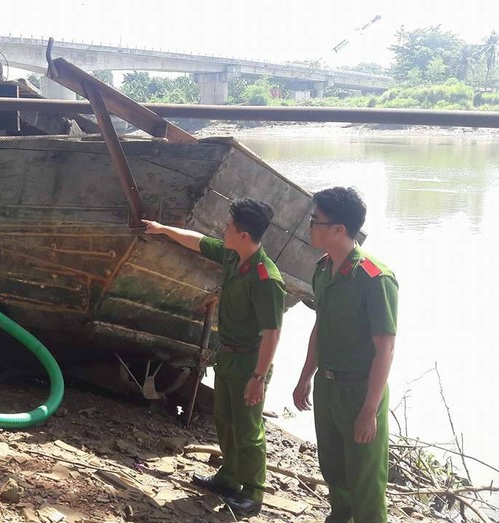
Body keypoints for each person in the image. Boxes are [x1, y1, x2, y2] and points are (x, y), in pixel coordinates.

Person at [143, 198, 286, 516]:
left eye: (229, 226)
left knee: (248, 428)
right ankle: (229, 477)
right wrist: (163, 229)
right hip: (228, 355)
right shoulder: (234, 257)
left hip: (251, 362)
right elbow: (198, 242)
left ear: (245, 235)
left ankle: (253, 493)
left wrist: (258, 377)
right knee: (225, 419)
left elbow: (272, 334)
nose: (224, 230)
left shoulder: (266, 279)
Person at [292, 187, 399, 523]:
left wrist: (370, 410)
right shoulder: (323, 269)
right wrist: (304, 377)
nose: (310, 226)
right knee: (334, 471)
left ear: (339, 229)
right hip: (328, 387)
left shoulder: (374, 277)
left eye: (316, 220)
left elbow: (386, 348)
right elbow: (320, 327)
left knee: (366, 481)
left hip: (360, 391)